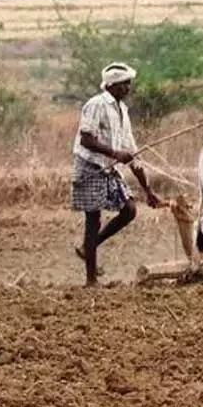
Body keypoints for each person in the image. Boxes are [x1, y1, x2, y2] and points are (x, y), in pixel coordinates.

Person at [70, 62, 161, 286]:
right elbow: (86, 139)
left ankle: (87, 247)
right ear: (111, 85)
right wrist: (114, 153)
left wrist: (148, 190)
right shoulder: (96, 105)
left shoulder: (123, 111)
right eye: (124, 84)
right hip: (91, 166)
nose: (128, 88)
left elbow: (131, 154)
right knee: (93, 220)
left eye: (128, 83)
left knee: (129, 210)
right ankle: (91, 280)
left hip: (109, 168)